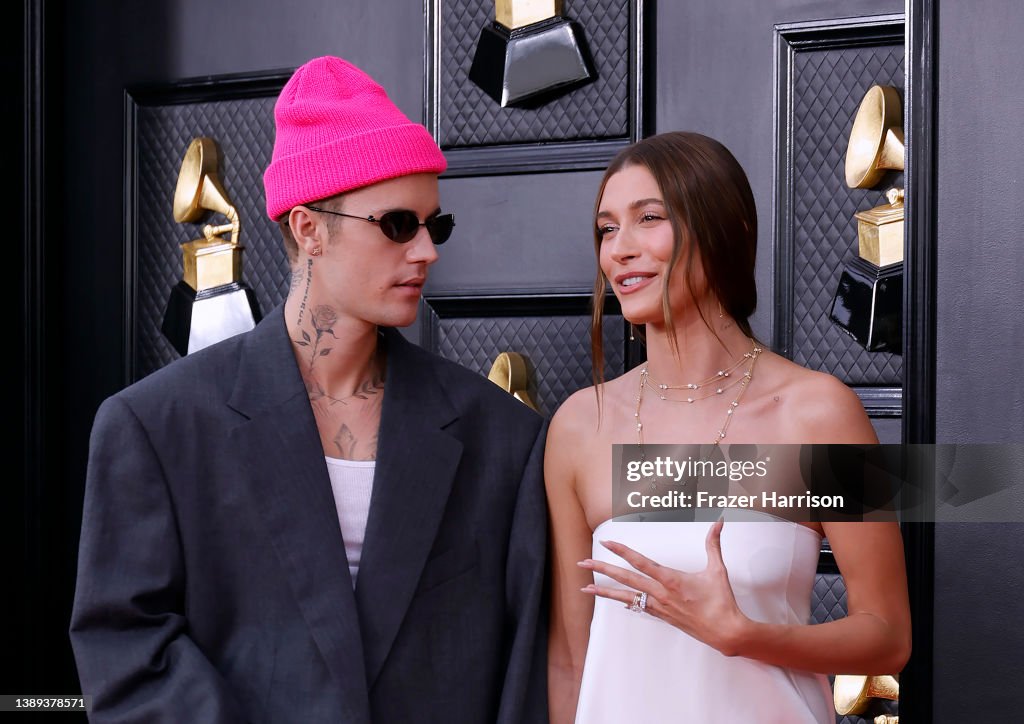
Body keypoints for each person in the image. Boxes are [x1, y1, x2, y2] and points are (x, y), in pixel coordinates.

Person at [71, 56, 548, 723]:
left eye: (433, 225)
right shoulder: (157, 427)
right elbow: (125, 652)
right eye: (397, 225)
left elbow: (526, 668)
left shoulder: (501, 438)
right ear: (308, 228)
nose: (426, 252)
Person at [545, 132, 911, 723]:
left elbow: (887, 634)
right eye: (607, 228)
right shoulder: (581, 426)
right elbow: (569, 659)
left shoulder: (814, 412)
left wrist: (741, 634)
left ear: (725, 231)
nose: (620, 249)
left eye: (650, 219)